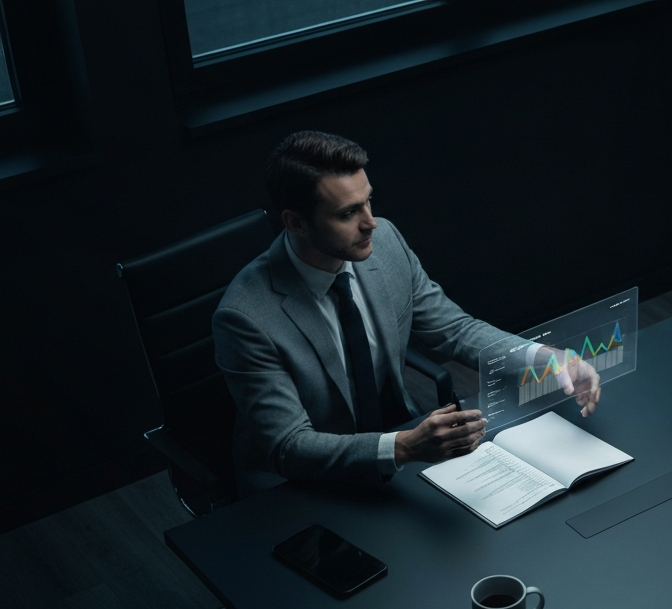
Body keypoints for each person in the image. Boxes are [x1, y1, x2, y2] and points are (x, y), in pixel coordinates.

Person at [214, 131, 600, 495]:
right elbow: (289, 446)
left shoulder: (384, 243)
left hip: (399, 440)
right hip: (300, 482)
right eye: (348, 213)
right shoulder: (245, 318)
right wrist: (403, 447)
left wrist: (547, 359)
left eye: (368, 201)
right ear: (295, 222)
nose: (370, 223)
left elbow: (454, 328)